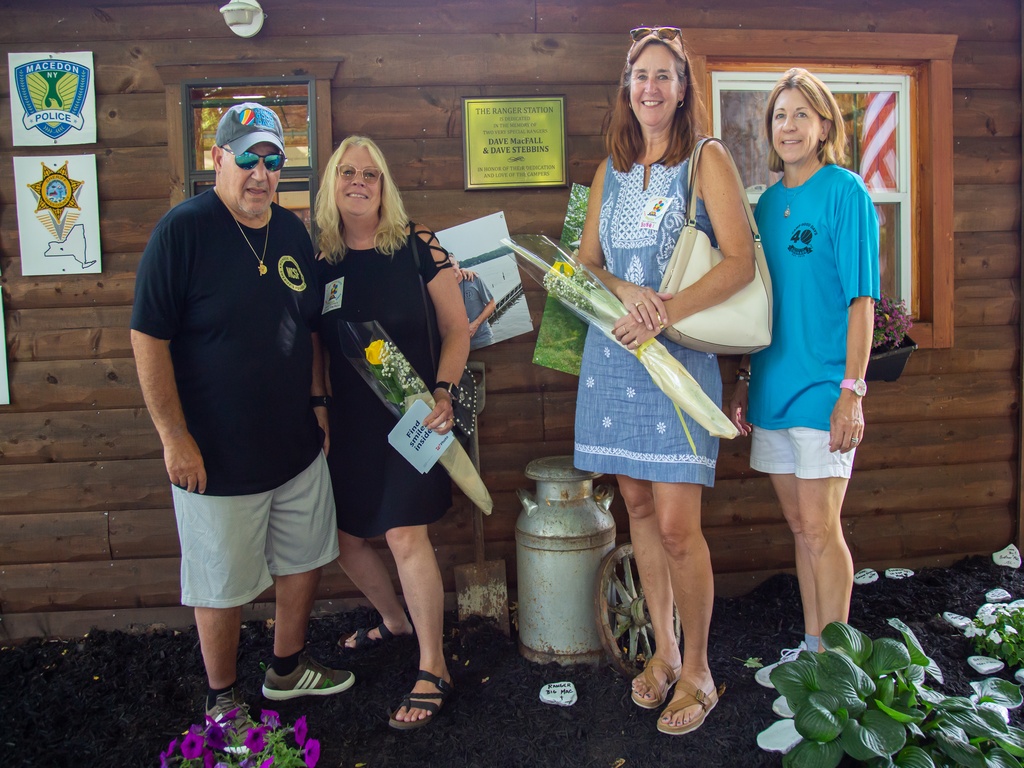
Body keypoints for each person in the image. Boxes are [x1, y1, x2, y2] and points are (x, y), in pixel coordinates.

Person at [130, 103, 354, 732]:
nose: (261, 172)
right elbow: (148, 338)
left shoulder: (290, 232)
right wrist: (174, 437)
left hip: (294, 444)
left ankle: (285, 670)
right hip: (215, 453)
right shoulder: (183, 230)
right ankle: (223, 698)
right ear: (217, 160)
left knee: (304, 557)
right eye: (248, 157)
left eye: (273, 159)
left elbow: (309, 327)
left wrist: (317, 403)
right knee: (222, 581)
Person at [574, 27, 756, 735]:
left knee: (680, 527)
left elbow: (739, 262)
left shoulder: (704, 159)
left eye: (663, 76)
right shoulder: (610, 171)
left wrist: (666, 313)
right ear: (627, 87)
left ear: (684, 89)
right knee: (640, 513)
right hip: (615, 360)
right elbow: (588, 263)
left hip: (679, 357)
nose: (649, 88)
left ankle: (701, 669)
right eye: (638, 75)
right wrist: (625, 290)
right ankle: (665, 649)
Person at [312, 135, 470, 730]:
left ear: (385, 186)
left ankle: (434, 666)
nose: (359, 182)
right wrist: (319, 404)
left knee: (404, 533)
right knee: (347, 537)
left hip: (414, 419)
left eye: (371, 174)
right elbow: (312, 346)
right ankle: (395, 621)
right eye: (348, 172)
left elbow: (457, 330)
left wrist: (443, 392)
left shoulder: (417, 246)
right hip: (350, 423)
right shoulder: (319, 259)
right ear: (332, 182)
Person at [728, 68, 880, 687]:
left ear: (824, 126)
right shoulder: (765, 204)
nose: (787, 127)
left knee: (822, 528)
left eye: (800, 115)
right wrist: (741, 382)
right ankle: (814, 646)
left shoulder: (847, 194)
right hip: (770, 386)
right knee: (799, 528)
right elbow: (754, 303)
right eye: (778, 116)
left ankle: (836, 668)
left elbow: (862, 302)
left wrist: (852, 392)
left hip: (824, 388)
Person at [449, 256, 496, 350]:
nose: (450, 269)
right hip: (462, 345)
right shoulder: (445, 289)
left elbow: (492, 304)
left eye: (452, 265)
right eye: (446, 267)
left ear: (458, 263)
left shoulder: (473, 279)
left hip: (484, 338)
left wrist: (476, 324)